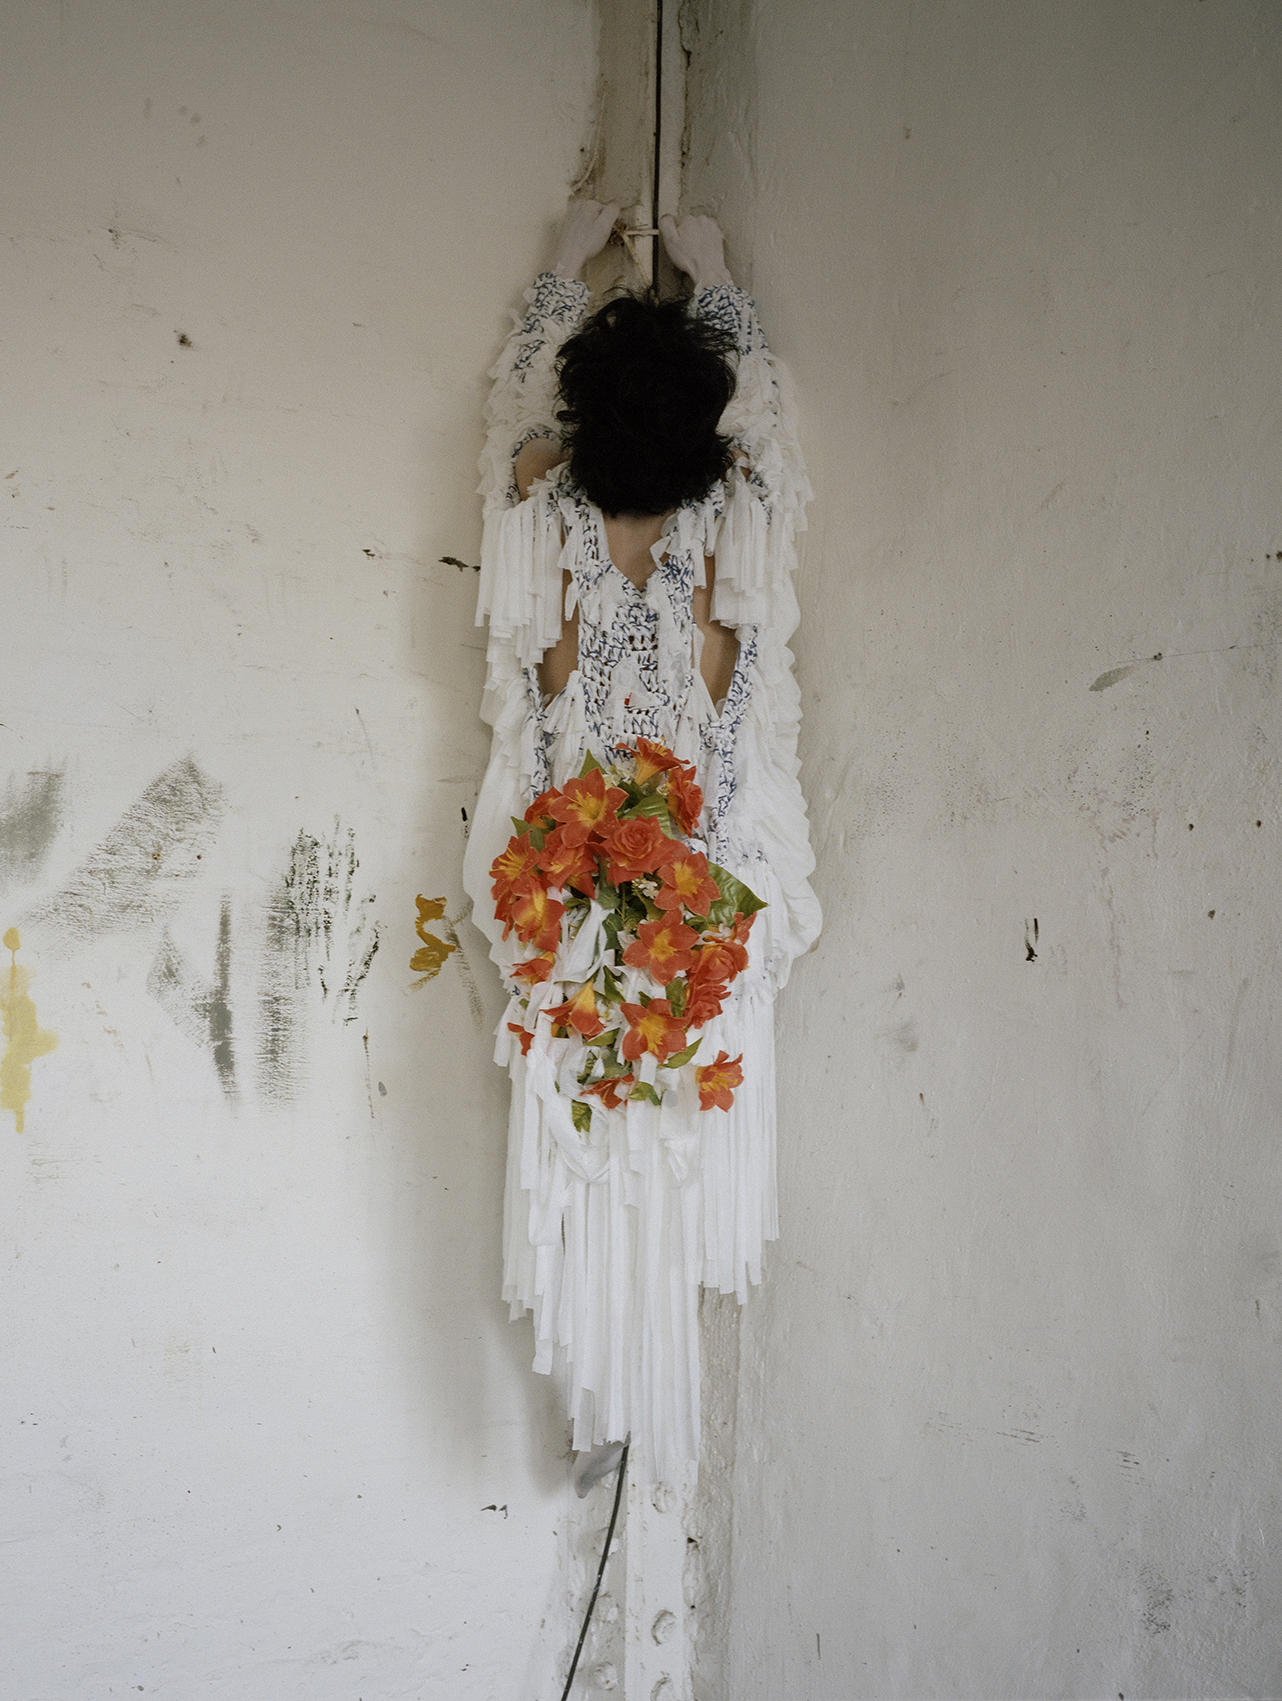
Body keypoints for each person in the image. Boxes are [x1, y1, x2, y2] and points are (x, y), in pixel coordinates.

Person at [462, 201, 821, 1479]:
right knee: (668, 1154)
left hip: (569, 910)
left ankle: (592, 1395)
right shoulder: (742, 517)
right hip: (700, 911)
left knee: (585, 1152)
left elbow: (512, 413)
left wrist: (563, 265)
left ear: (585, 422)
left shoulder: (538, 503)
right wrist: (714, 273)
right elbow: (762, 408)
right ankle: (633, 1400)